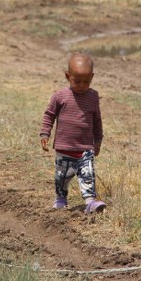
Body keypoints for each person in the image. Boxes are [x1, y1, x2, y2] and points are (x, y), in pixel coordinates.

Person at [40, 53, 106, 214]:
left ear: (92, 77)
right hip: (64, 149)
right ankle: (61, 200)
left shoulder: (93, 97)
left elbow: (97, 120)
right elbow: (49, 115)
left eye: (86, 81)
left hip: (85, 148)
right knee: (62, 178)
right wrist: (45, 133)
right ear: (67, 76)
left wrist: (98, 141)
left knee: (88, 176)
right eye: (77, 81)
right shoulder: (60, 96)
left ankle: (90, 202)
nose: (82, 85)